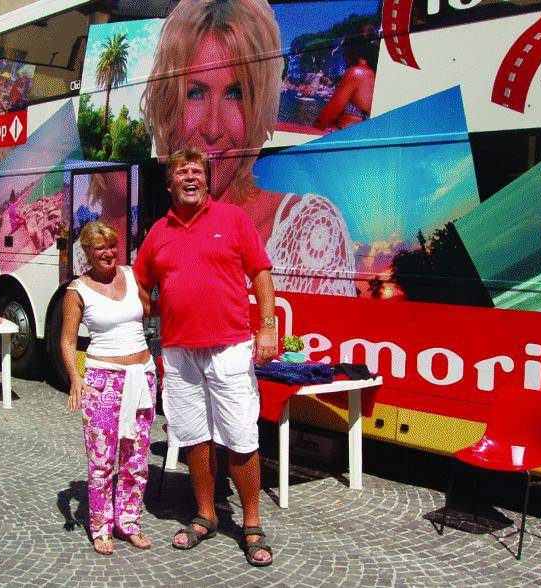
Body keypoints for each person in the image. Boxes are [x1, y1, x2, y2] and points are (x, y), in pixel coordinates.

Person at [141, 0, 356, 296]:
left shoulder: (309, 228)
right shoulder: (160, 233)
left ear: (259, 106)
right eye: (195, 93)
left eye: (235, 93)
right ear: (167, 105)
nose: (213, 129)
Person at [134, 147, 278, 567]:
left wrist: (267, 326)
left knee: (241, 437)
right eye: (183, 172)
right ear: (171, 183)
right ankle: (206, 514)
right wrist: (152, 308)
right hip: (179, 352)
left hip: (229, 347)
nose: (191, 178)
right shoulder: (158, 232)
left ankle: (251, 523)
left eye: (198, 171)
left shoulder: (232, 219)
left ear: (207, 181)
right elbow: (141, 283)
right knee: (193, 436)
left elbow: (261, 272)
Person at [60, 221, 156, 556]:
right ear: (86, 251)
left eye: (113, 246)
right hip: (103, 380)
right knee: (102, 460)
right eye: (100, 248)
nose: (109, 253)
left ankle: (129, 522)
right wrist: (76, 377)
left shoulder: (130, 275)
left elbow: (149, 309)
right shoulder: (77, 290)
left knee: (137, 457)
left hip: (142, 375)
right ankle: (100, 526)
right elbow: (68, 341)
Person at [314, 40, 377, 131]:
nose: (344, 55)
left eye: (345, 50)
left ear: (352, 49)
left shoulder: (357, 73)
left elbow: (325, 118)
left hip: (342, 134)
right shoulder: (373, 73)